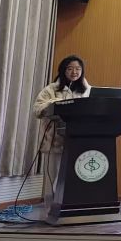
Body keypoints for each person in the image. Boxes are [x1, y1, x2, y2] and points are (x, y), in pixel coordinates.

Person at [32, 55, 91, 214]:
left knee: (77, 174)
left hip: (79, 139)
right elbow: (37, 109)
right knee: (54, 174)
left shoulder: (87, 90)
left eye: (78, 69)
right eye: (70, 68)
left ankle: (73, 206)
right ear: (63, 70)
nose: (74, 72)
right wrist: (55, 105)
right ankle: (51, 209)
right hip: (55, 139)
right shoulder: (52, 89)